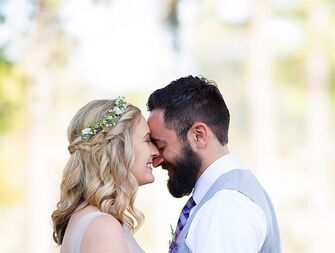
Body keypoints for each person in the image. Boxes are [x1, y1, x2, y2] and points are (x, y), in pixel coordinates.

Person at [147, 76, 281, 253]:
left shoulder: (227, 206)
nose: (156, 161)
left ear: (199, 135)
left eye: (161, 146)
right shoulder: (226, 197)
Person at [51, 97, 159, 253]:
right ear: (118, 148)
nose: (155, 152)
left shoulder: (88, 219)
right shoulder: (102, 227)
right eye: (147, 140)